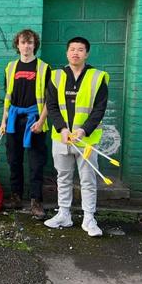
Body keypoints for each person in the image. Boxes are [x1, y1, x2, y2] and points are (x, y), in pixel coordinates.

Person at [44, 37, 109, 237]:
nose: (75, 53)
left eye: (80, 50)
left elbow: (100, 109)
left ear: (86, 54)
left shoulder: (97, 77)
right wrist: (62, 128)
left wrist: (84, 130)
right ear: (67, 53)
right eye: (72, 49)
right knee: (63, 178)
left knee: (88, 180)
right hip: (62, 138)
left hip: (86, 140)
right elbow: (52, 106)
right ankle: (64, 214)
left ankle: (89, 218)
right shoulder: (55, 76)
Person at [0, 29, 51, 220]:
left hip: (34, 121)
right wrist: (4, 120)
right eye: (23, 42)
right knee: (14, 160)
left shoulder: (44, 68)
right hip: (13, 119)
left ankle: (36, 201)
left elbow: (49, 99)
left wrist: (41, 121)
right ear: (18, 45)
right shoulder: (10, 67)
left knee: (36, 164)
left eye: (30, 43)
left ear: (34, 45)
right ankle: (16, 197)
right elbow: (7, 97)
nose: (26, 46)